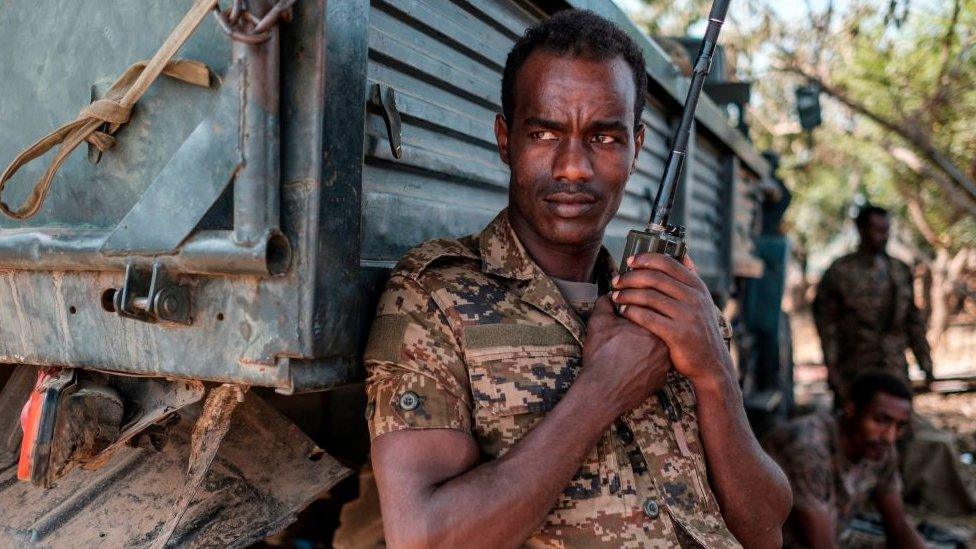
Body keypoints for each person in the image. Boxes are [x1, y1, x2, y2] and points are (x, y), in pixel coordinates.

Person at [362, 10, 791, 548]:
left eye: (604, 139)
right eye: (544, 133)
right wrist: (604, 390)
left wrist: (714, 375)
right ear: (505, 139)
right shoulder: (436, 298)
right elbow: (426, 537)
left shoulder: (672, 302)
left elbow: (765, 528)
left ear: (636, 148)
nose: (573, 168)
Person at [763, 372, 925, 548]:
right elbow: (821, 546)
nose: (890, 437)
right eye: (880, 420)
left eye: (899, 426)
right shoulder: (809, 447)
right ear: (851, 409)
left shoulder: (880, 448)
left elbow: (898, 526)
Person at [813, 205, 934, 405]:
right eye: (877, 230)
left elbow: (913, 321)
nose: (883, 236)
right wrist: (833, 370)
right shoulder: (840, 272)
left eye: (886, 230)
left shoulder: (899, 270)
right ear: (861, 230)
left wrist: (925, 362)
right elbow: (827, 327)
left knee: (896, 425)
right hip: (855, 369)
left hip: (893, 366)